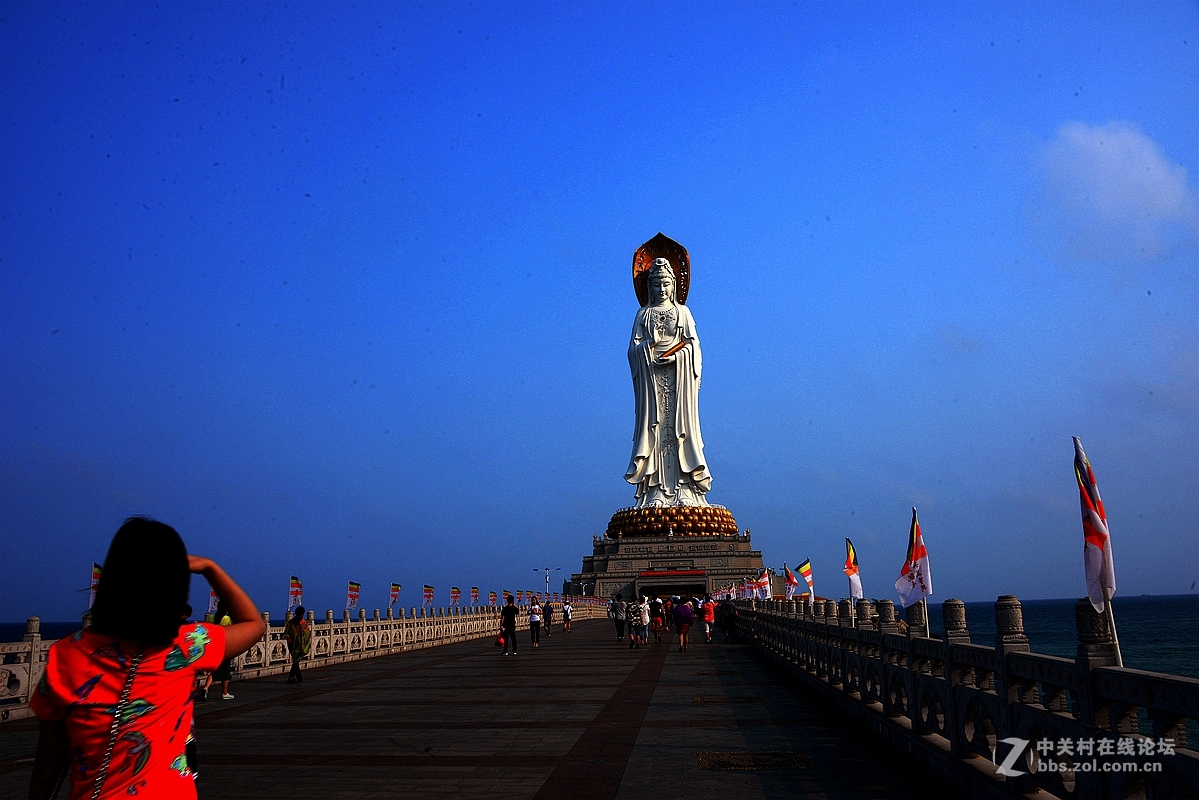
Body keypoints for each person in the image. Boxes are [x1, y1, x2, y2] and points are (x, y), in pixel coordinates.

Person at [29, 517, 265, 800]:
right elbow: (254, 623)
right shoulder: (186, 646)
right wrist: (210, 567)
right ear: (174, 587)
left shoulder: (65, 655)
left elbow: (47, 761)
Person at [625, 257, 712, 508]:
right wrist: (648, 348)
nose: (661, 290)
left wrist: (679, 355)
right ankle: (656, 492)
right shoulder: (644, 314)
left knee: (679, 430)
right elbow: (632, 350)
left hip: (679, 380)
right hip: (652, 381)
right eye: (656, 285)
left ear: (674, 285)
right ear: (648, 287)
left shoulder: (682, 312)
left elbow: (693, 347)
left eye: (665, 284)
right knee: (656, 430)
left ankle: (685, 488)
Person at [210, 600, 235, 699]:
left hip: (213, 646)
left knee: (214, 670)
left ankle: (206, 688)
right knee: (225, 671)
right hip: (224, 646)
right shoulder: (227, 619)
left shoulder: (211, 618)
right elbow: (232, 630)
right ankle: (225, 693)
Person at [283, 606, 311, 684]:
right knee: (295, 660)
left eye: (301, 614)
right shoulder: (291, 623)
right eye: (299, 614)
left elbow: (307, 633)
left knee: (296, 660)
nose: (300, 615)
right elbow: (286, 633)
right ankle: (293, 677)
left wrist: (307, 643)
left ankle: (296, 676)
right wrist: (289, 641)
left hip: (301, 645)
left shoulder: (303, 623)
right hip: (292, 644)